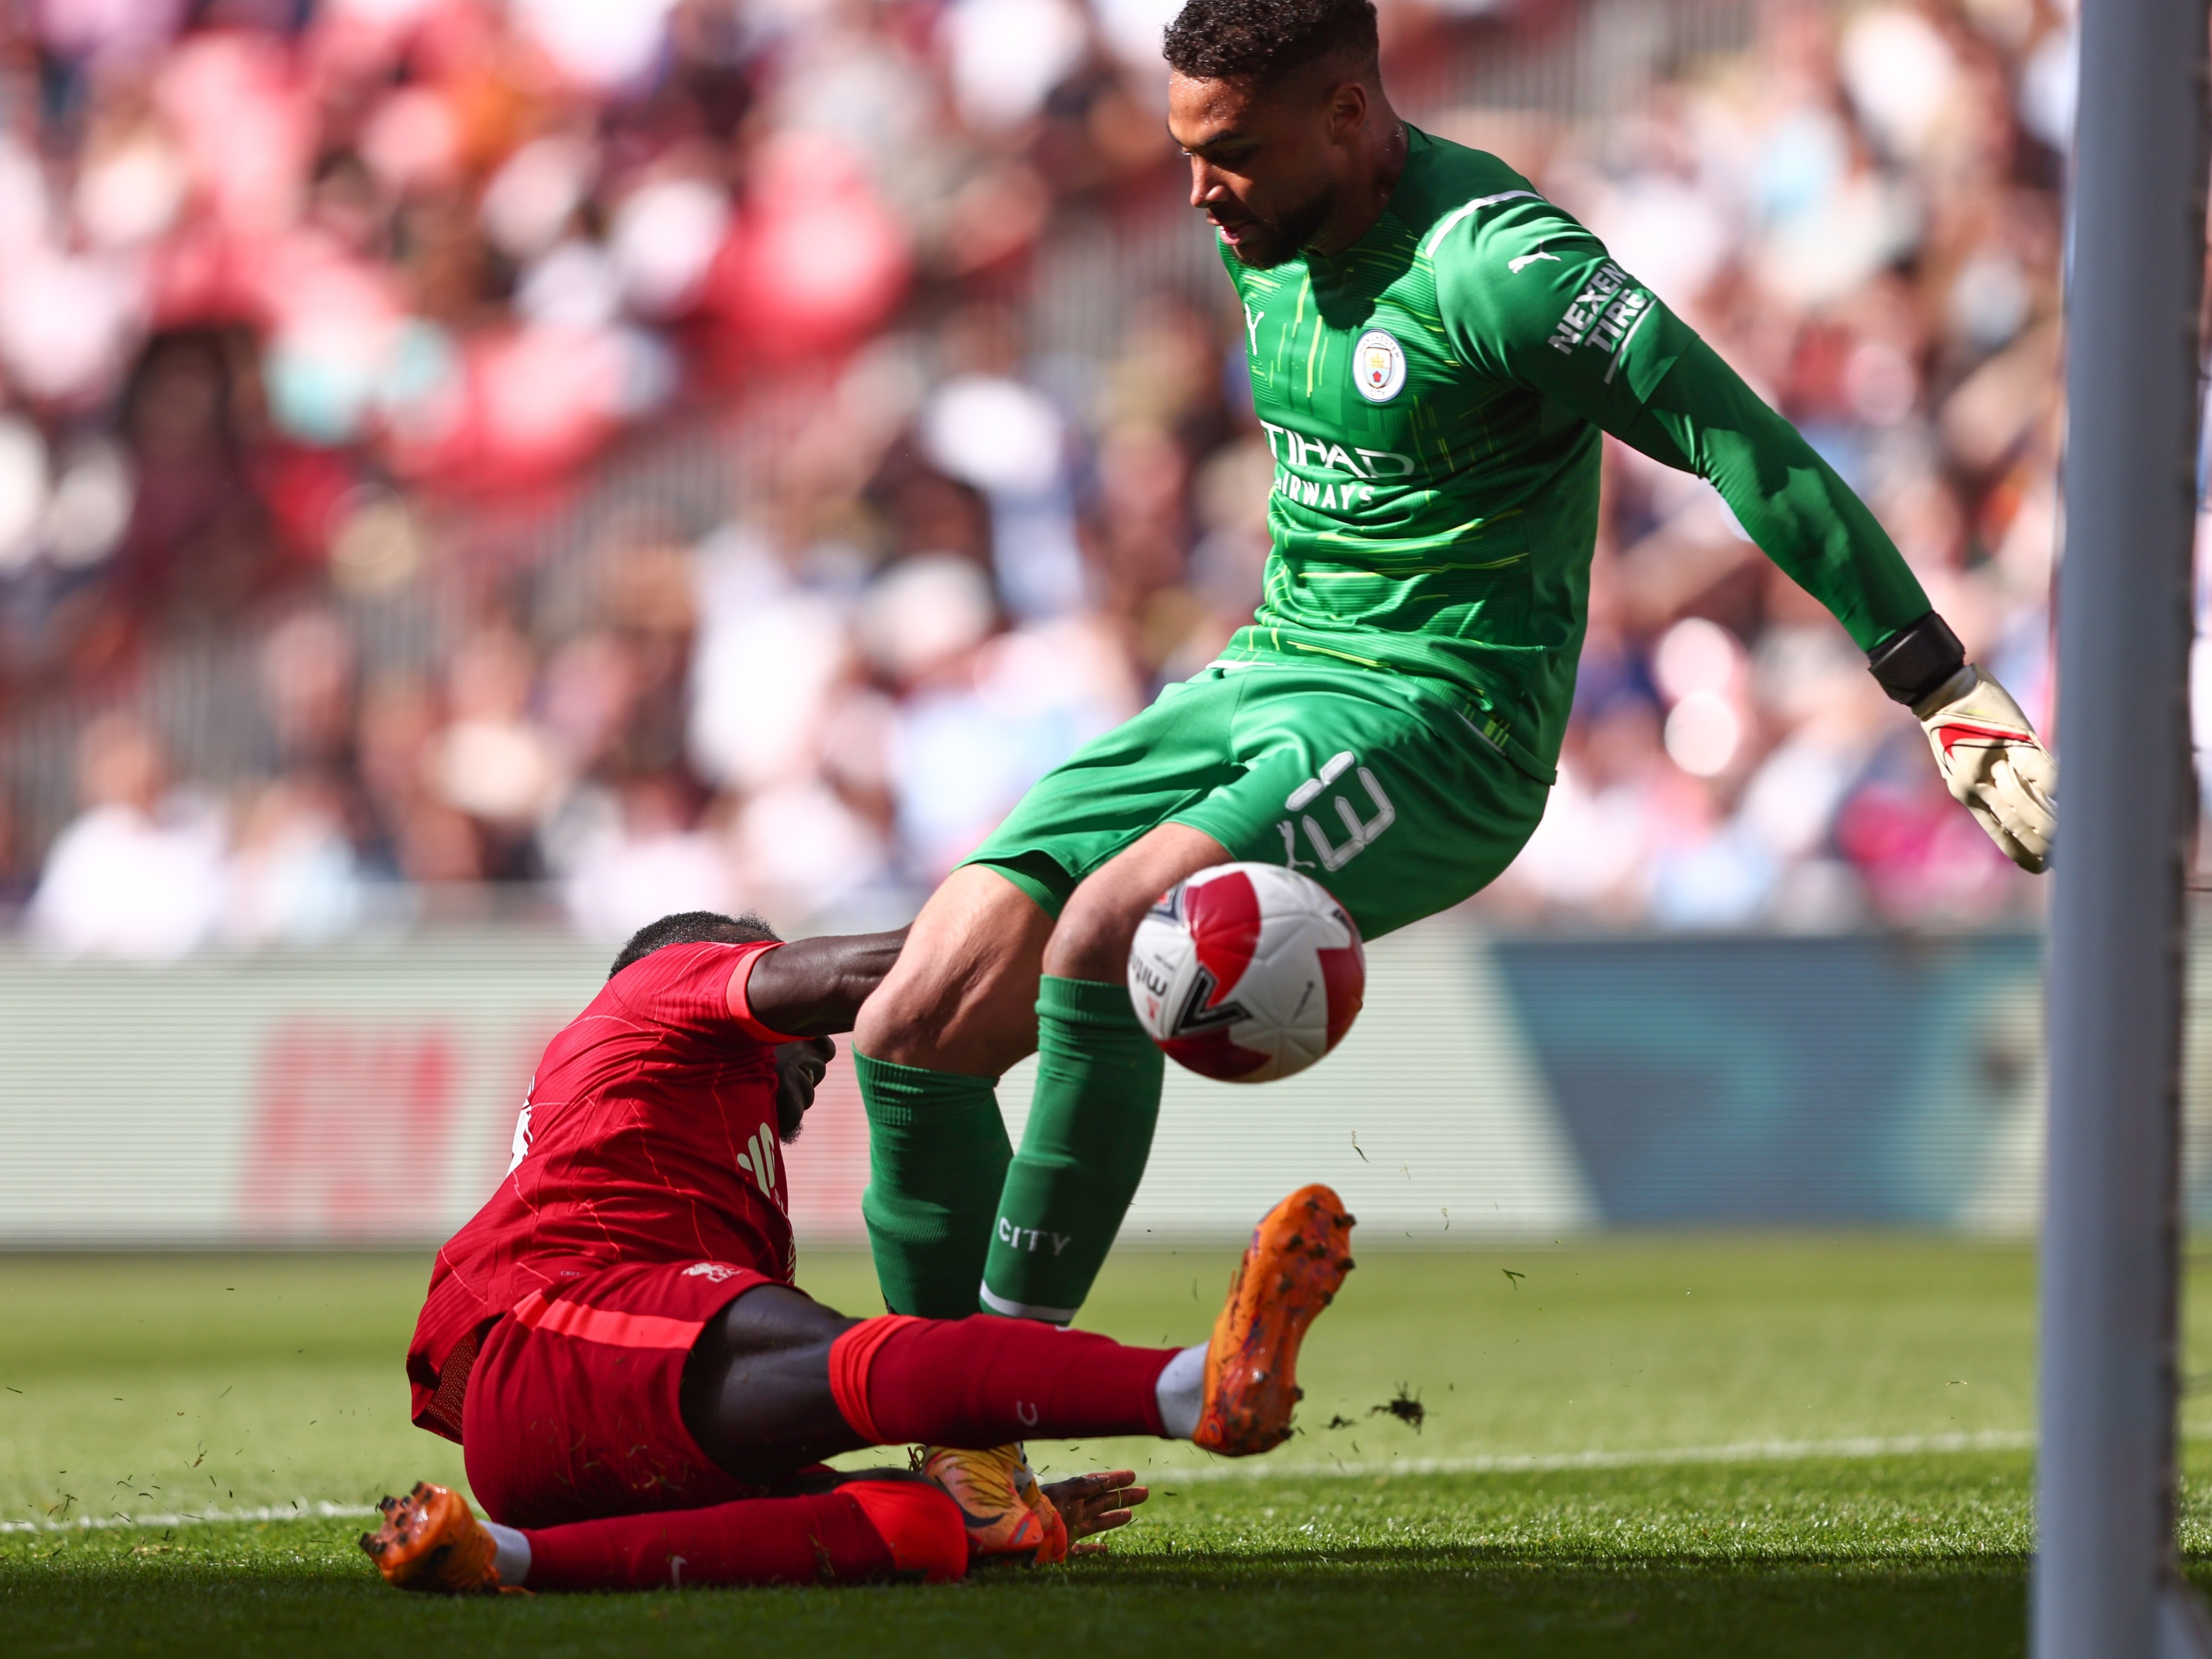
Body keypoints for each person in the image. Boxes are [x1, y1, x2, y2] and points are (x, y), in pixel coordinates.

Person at [847, 0, 2058, 1516]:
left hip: (1441, 724)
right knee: (912, 1020)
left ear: (1349, 116)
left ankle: (986, 1406)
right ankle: (964, 1453)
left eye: (1225, 155)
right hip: (1260, 672)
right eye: (1179, 154)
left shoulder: (1500, 268)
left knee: (1109, 930)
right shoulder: (1265, 228)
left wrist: (1934, 679)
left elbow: (1737, 437)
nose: (1196, 195)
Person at [363, 910, 1354, 1593]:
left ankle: (503, 1555)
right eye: (788, 1024)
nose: (826, 1050)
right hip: (552, 1343)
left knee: (920, 1528)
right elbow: (857, 978)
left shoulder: (710, 1168)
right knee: (860, 1359)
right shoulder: (653, 987)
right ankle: (1190, 1385)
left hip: (576, 1437)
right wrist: (1117, 937)